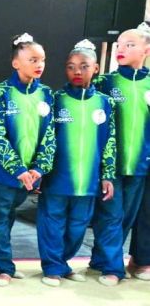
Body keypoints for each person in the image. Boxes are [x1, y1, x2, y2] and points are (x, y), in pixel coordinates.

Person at [37, 39, 116, 287]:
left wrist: (107, 175)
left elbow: (110, 141)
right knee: (52, 223)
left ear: (96, 69)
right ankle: (52, 267)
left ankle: (63, 262)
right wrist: (39, 171)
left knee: (78, 227)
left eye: (84, 66)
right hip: (57, 179)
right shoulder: (55, 99)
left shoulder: (105, 102)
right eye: (71, 67)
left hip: (88, 181)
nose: (77, 72)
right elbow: (43, 138)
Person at [0, 33, 55, 287]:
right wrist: (17, 168)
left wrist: (39, 168)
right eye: (33, 59)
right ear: (16, 63)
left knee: (8, 217)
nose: (39, 64)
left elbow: (49, 136)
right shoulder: (1, 92)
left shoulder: (46, 93)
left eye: (42, 60)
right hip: (3, 174)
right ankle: (4, 266)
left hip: (29, 176)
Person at [90, 22, 150, 283]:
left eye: (130, 45)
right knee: (111, 216)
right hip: (111, 166)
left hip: (139, 165)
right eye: (119, 45)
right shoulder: (105, 82)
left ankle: (102, 260)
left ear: (146, 50)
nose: (121, 49)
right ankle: (112, 268)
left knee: (126, 216)